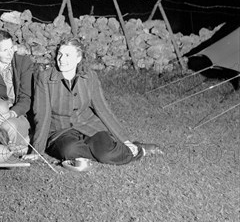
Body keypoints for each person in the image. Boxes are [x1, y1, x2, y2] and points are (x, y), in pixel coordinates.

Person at [25, 37, 162, 172]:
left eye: (67, 55)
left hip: (90, 126)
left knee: (106, 154)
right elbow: (42, 114)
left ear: (78, 58)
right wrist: (37, 150)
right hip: (60, 132)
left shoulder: (89, 77)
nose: (61, 59)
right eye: (60, 54)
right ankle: (106, 150)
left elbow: (103, 110)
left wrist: (125, 140)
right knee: (69, 151)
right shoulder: (45, 78)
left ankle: (138, 149)